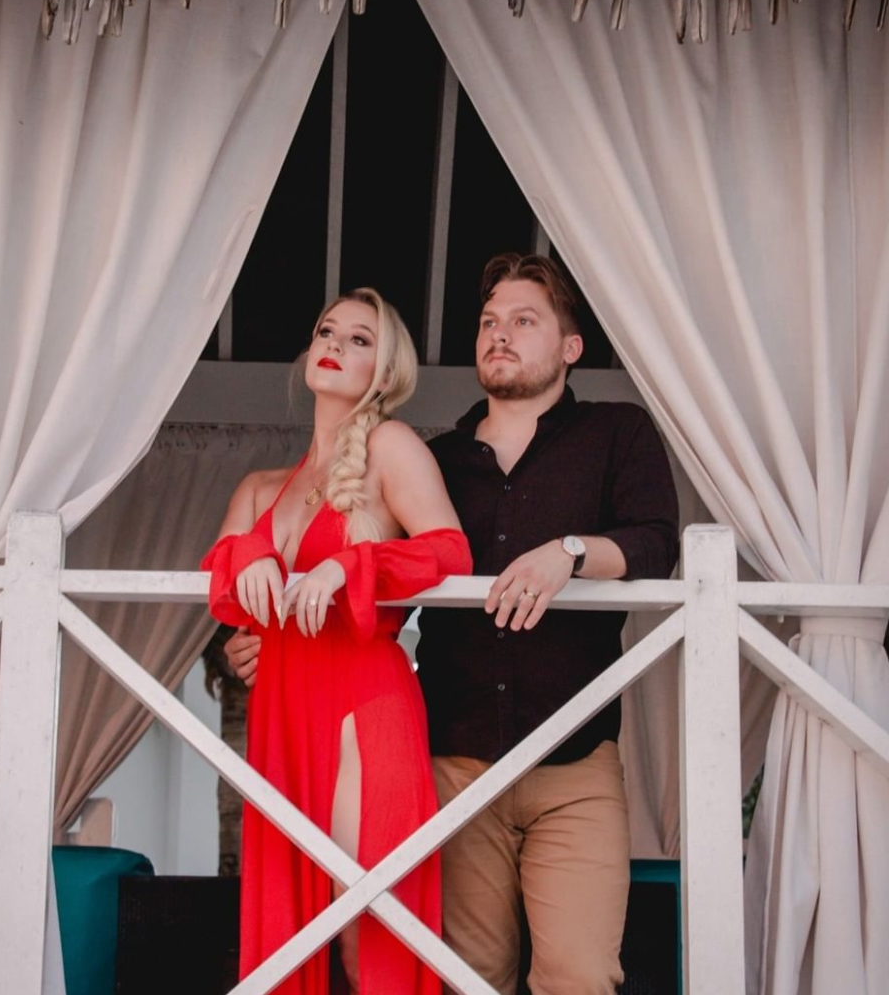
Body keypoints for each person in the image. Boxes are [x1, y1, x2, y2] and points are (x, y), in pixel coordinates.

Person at [227, 253, 680, 995]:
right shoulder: (434, 457)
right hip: (455, 762)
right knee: (467, 976)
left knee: (581, 973)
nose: (499, 335)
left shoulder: (615, 433)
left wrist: (569, 552)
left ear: (571, 347)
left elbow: (657, 542)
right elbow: (387, 595)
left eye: (524, 321)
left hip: (574, 761)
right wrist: (272, 633)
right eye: (489, 323)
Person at [202, 288, 472, 995]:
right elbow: (218, 575)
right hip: (280, 712)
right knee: (285, 936)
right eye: (328, 331)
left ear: (385, 374)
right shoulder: (263, 488)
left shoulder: (390, 444)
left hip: (365, 702)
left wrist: (353, 562)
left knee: (368, 925)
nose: (336, 344)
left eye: (360, 339)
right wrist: (249, 560)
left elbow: (450, 551)